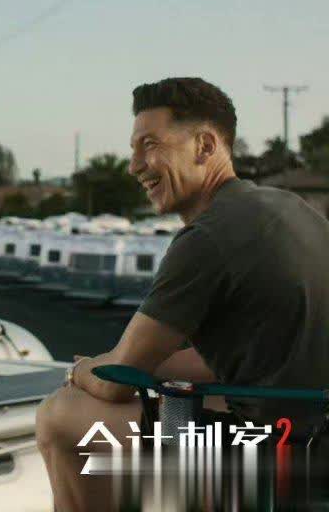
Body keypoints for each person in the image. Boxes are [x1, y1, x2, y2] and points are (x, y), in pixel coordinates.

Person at [35, 77, 329, 511]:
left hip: (277, 458)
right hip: (314, 434)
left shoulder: (207, 237)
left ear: (204, 146)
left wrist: (81, 371)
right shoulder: (292, 210)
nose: (135, 166)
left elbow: (115, 382)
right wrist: (133, 362)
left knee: (63, 414)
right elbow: (243, 355)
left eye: (149, 145)